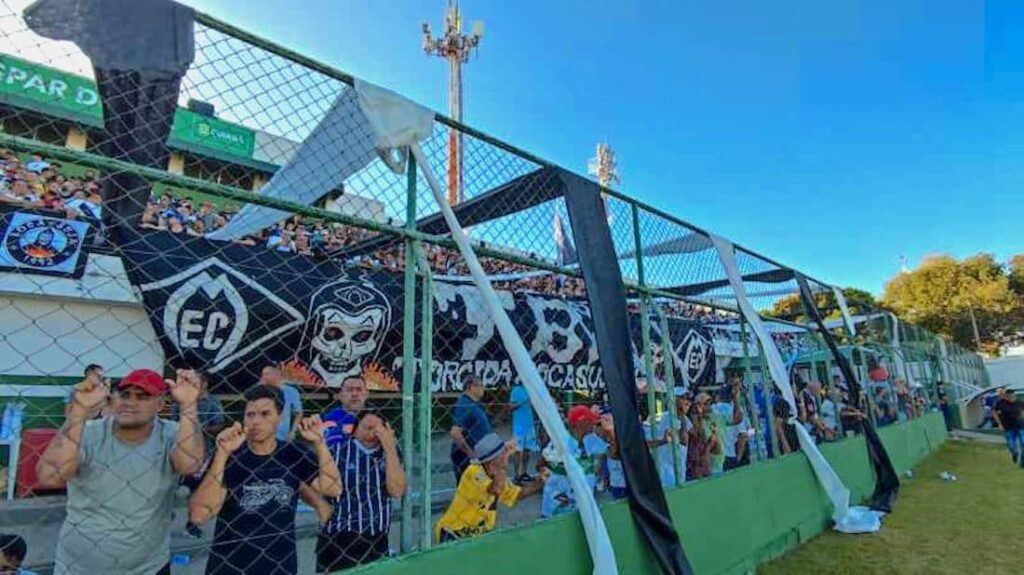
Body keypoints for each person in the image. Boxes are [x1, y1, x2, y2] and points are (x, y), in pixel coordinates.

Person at [37, 368, 204, 575]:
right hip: (77, 568)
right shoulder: (89, 431)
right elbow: (49, 477)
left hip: (147, 568)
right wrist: (79, 411)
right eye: (124, 394)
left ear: (160, 405)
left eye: (142, 397)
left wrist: (189, 405)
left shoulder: (170, 433)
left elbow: (188, 465)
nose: (129, 402)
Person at [189, 384, 341, 575]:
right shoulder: (231, 456)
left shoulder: (293, 453)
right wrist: (221, 454)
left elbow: (333, 489)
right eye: (250, 415)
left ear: (280, 417)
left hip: (280, 564)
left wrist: (320, 443)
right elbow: (199, 516)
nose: (256, 421)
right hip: (229, 565)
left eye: (265, 414)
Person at [317, 411, 407, 572]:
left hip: (377, 536)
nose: (372, 433)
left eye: (378, 430)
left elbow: (397, 490)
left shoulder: (390, 455)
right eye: (367, 427)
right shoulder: (337, 451)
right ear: (356, 429)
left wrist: (390, 448)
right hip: (340, 535)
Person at [435, 433, 544, 542]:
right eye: (502, 454)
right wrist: (503, 465)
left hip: (475, 535)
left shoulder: (497, 476)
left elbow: (518, 494)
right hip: (453, 532)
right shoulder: (474, 471)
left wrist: (543, 482)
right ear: (492, 461)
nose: (505, 457)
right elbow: (495, 489)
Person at [538, 405, 603, 518]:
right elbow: (541, 464)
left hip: (582, 505)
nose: (593, 424)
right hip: (558, 505)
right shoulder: (561, 443)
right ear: (580, 423)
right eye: (590, 421)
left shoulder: (592, 440)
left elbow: (613, 454)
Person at [450, 376, 493, 483]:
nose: (483, 388)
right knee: (471, 490)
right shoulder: (465, 404)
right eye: (480, 385)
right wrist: (470, 454)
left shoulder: (474, 404)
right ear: (470, 387)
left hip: (479, 454)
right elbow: (455, 432)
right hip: (467, 457)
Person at [711, 379, 748, 472]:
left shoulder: (712, 409)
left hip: (713, 455)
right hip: (729, 455)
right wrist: (738, 458)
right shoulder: (736, 410)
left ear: (718, 396)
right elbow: (743, 435)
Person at [322, 376, 368, 448]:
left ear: (366, 394)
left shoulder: (375, 418)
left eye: (359, 390)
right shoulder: (331, 417)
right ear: (340, 395)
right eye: (349, 390)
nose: (354, 394)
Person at [260, 365, 303, 441]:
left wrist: (292, 432)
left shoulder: (291, 391)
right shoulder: (260, 391)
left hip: (282, 436)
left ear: (276, 375)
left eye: (267, 374)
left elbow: (298, 413)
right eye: (263, 375)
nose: (264, 377)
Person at [686, 392, 722, 480]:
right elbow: (701, 439)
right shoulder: (692, 422)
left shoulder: (714, 417)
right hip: (700, 467)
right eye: (705, 403)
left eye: (709, 403)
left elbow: (717, 448)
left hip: (715, 464)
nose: (709, 405)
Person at [509, 382, 539, 483]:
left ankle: (524, 473)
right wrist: (523, 402)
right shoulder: (516, 390)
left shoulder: (531, 388)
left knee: (527, 450)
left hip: (529, 424)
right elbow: (511, 407)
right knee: (518, 451)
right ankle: (516, 475)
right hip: (519, 425)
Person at [992, 388, 1024, 468]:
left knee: (1023, 443)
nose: (1011, 398)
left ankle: (1022, 462)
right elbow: (994, 413)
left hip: (1020, 426)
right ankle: (1014, 453)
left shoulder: (1020, 403)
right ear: (1006, 396)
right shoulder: (1000, 404)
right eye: (1009, 396)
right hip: (1008, 427)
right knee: (1011, 445)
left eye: (1012, 396)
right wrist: (999, 424)